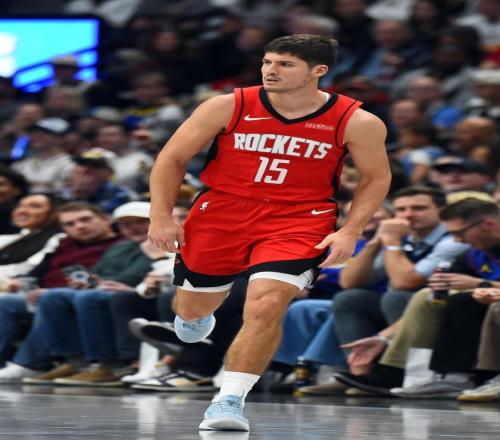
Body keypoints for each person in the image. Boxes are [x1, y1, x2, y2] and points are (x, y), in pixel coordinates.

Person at [148, 34, 391, 432]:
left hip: (299, 217)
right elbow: (172, 157)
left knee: (266, 303)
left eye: (285, 64)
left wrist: (350, 230)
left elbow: (376, 177)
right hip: (223, 211)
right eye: (267, 62)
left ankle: (229, 399)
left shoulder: (356, 121)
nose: (270, 71)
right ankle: (194, 319)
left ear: (319, 71)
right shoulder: (228, 105)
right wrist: (160, 216)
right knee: (192, 309)